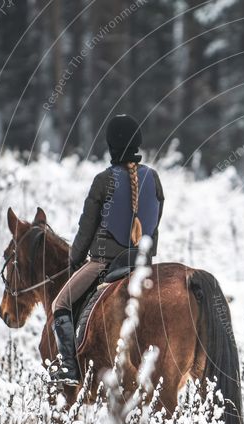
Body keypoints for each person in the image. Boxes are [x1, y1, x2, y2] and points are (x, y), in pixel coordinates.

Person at [49, 114, 165, 385]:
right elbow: (154, 225)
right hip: (142, 264)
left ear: (111, 145)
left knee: (60, 304)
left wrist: (75, 259)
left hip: (104, 263)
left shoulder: (103, 180)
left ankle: (69, 370)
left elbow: (86, 228)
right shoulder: (154, 178)